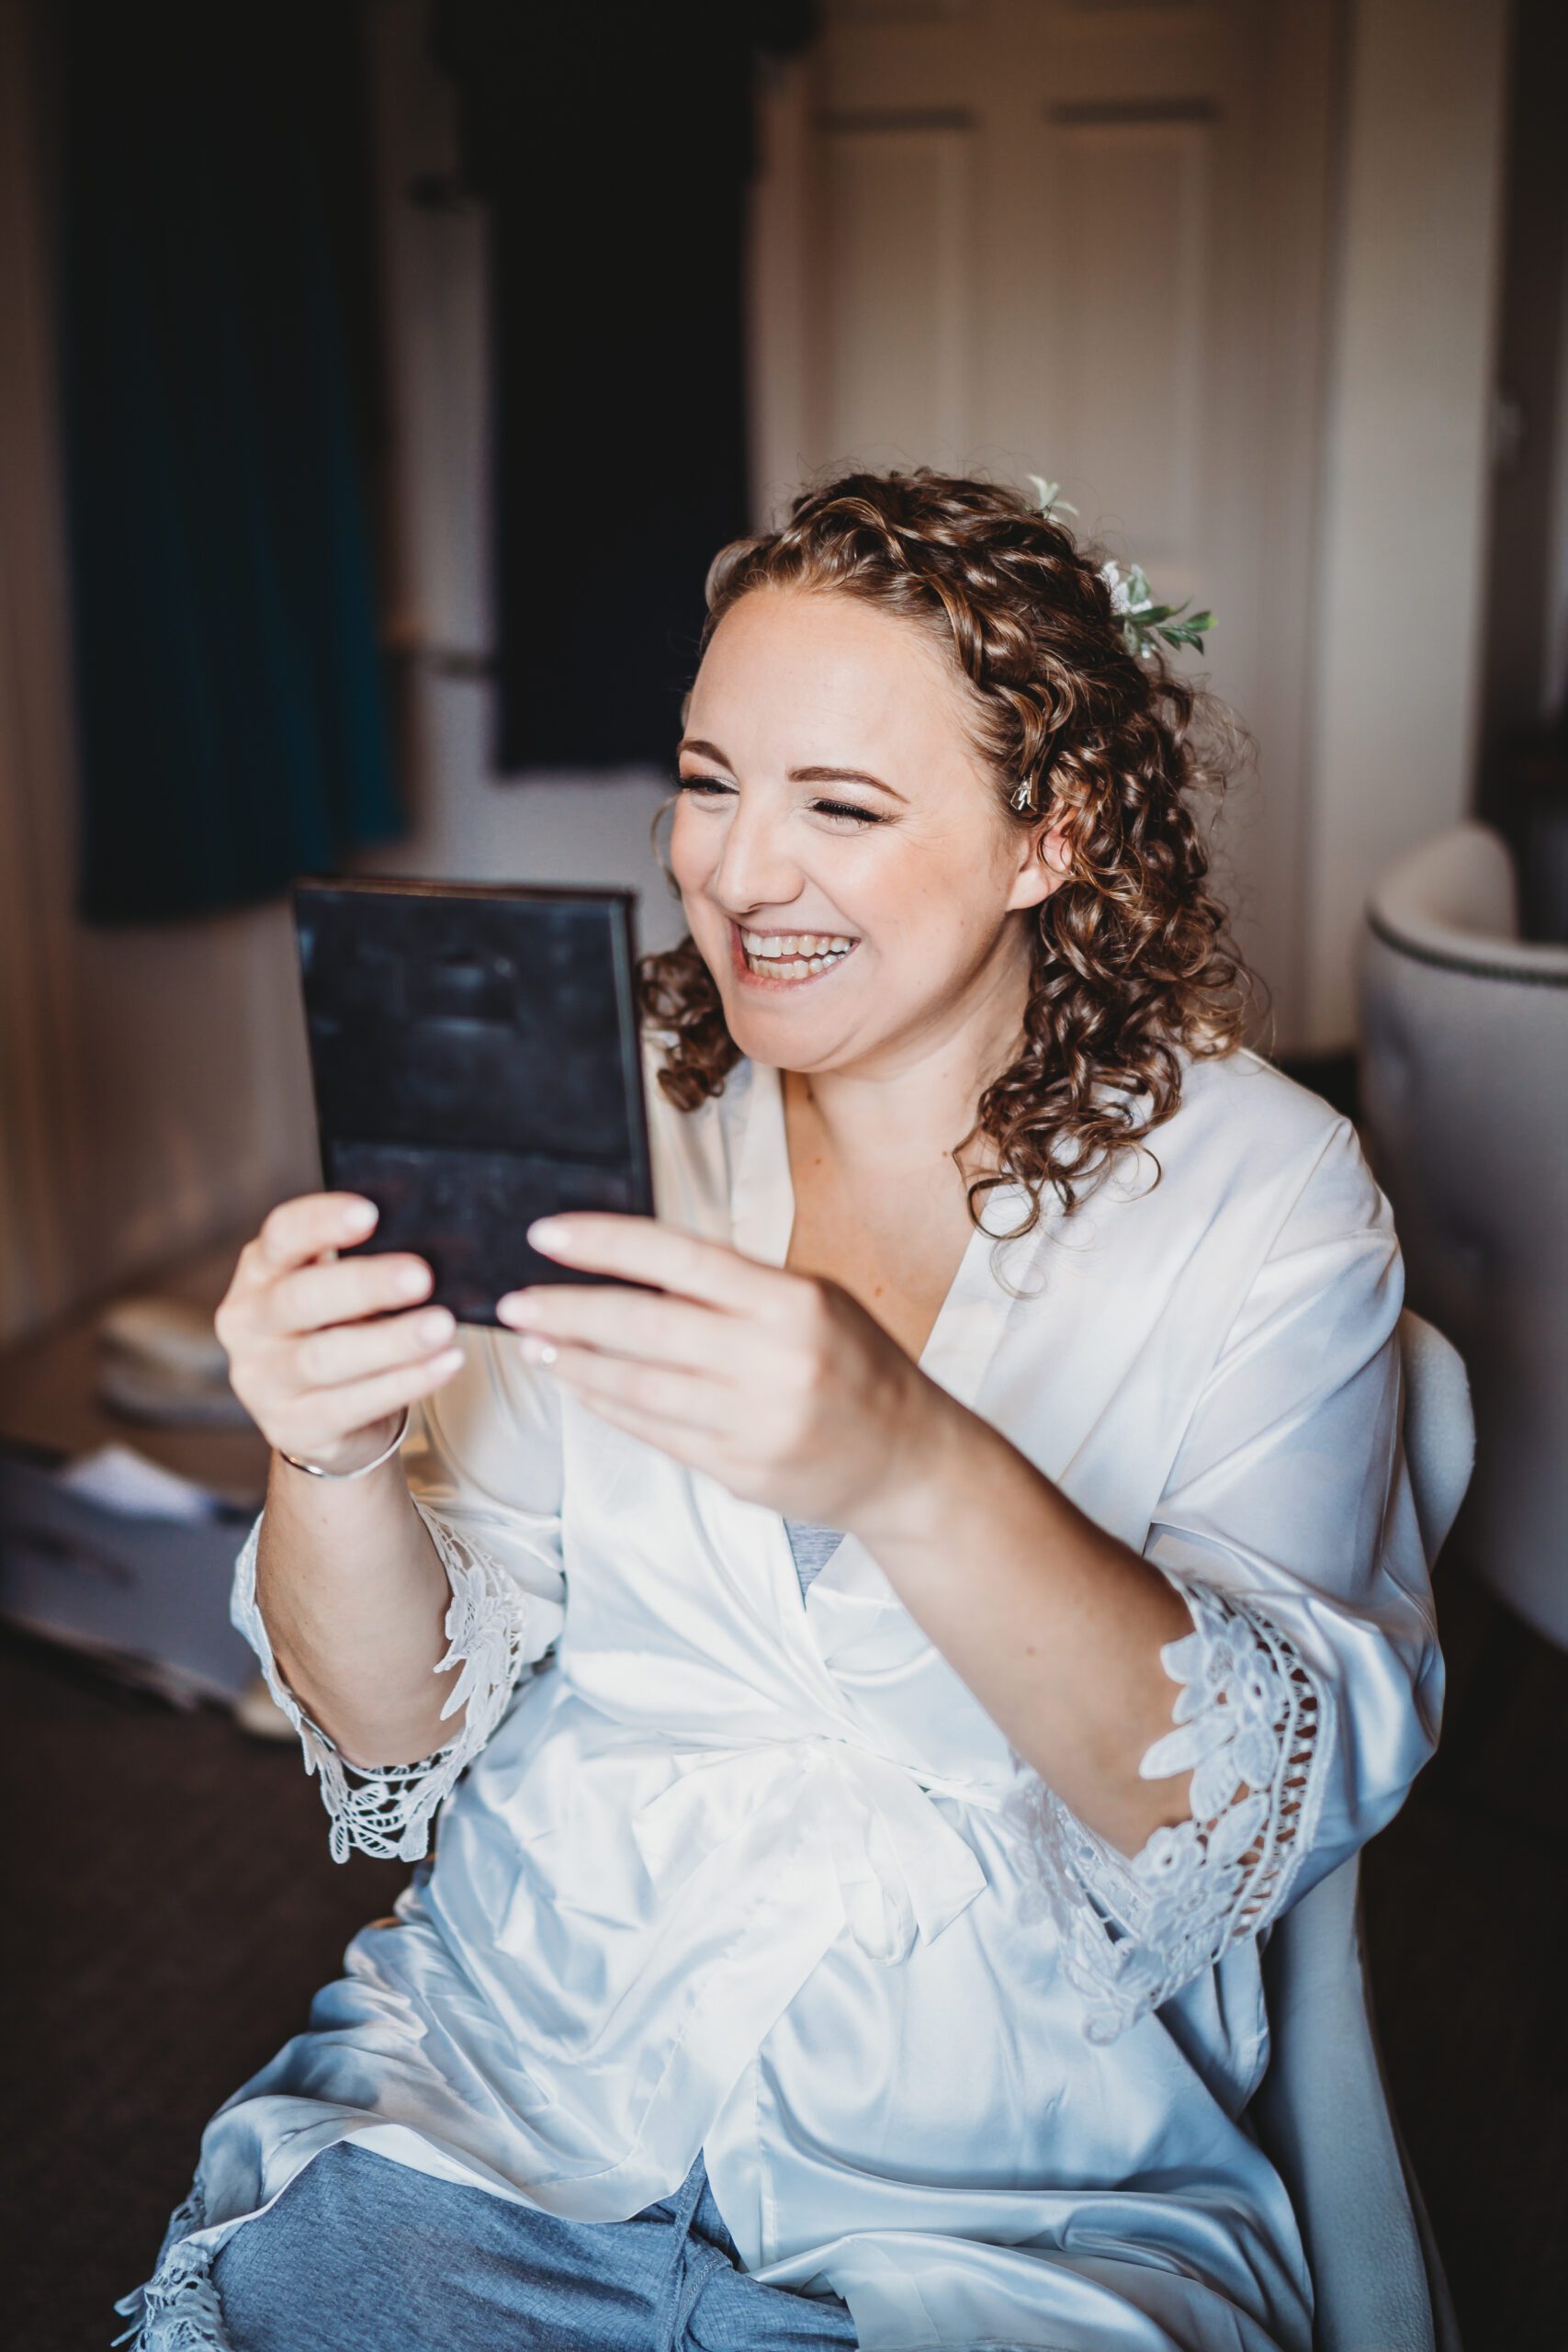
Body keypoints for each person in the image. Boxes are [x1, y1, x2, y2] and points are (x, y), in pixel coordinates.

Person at [115, 470, 1442, 2352]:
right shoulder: (606, 1131)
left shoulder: (1262, 1196)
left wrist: (907, 1463)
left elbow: (1229, 1809)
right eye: (710, 779)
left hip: (997, 2181)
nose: (738, 870)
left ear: (1044, 837)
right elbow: (395, 1721)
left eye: (840, 804)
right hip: (518, 2091)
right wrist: (325, 1464)